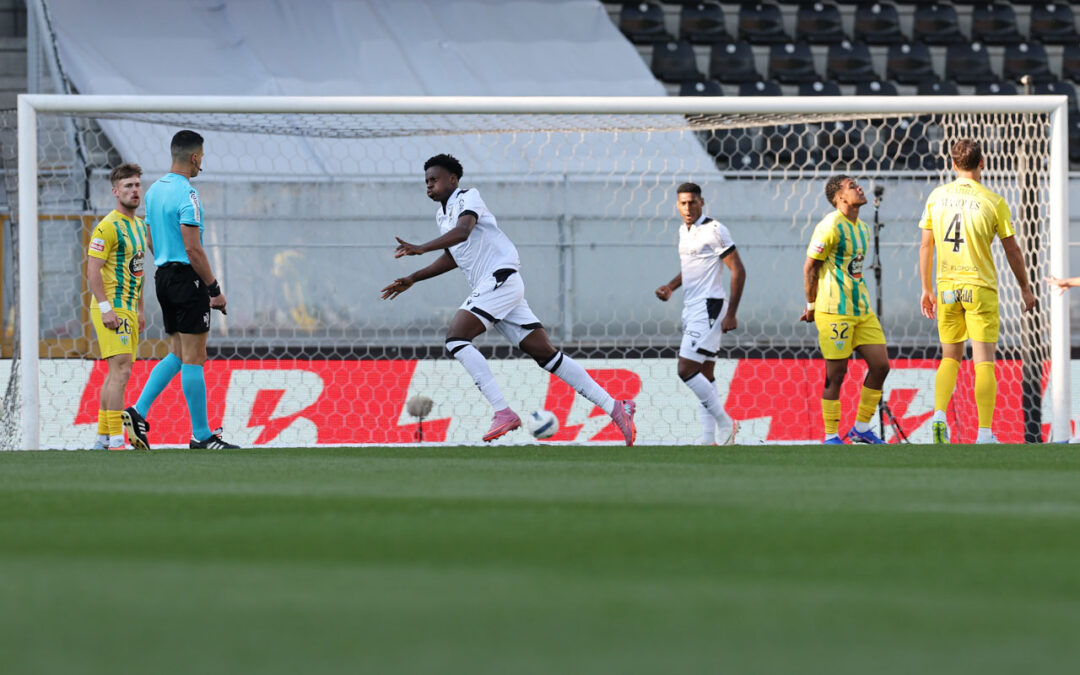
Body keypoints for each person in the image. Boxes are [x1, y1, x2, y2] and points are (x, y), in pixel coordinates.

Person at [381, 153, 637, 444]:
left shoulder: (468, 197)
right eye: (426, 181)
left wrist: (421, 248)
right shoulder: (442, 216)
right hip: (500, 287)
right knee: (546, 355)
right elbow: (454, 256)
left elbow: (463, 232)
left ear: (453, 179)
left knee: (456, 337)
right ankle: (617, 407)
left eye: (435, 179)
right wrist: (414, 278)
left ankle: (502, 412)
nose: (429, 185)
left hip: (499, 278)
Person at [122, 130, 239, 450]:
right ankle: (201, 435)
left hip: (163, 278)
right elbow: (194, 249)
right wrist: (214, 289)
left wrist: (166, 259)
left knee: (177, 352)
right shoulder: (188, 195)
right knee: (194, 357)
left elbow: (149, 238)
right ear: (195, 157)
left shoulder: (155, 191)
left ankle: (137, 411)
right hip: (188, 281)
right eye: (202, 157)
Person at [919, 139, 1037, 444]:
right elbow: (1012, 250)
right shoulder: (993, 201)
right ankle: (984, 433)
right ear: (982, 163)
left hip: (946, 288)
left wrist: (926, 288)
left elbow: (925, 245)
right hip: (979, 288)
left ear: (953, 165)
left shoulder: (936, 196)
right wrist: (1025, 288)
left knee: (950, 358)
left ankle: (939, 416)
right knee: (983, 361)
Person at [799, 175, 890, 444]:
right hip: (833, 311)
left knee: (881, 366)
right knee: (836, 374)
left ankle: (861, 428)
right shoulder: (829, 226)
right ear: (839, 197)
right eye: (852, 186)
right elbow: (809, 267)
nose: (860, 187)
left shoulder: (862, 228)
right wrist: (811, 305)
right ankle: (830, 435)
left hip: (861, 310)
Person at [654, 182, 745, 445]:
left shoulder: (714, 230)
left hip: (710, 307)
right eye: (682, 203)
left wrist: (732, 313)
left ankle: (726, 423)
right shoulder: (684, 230)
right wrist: (671, 287)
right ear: (677, 205)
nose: (687, 207)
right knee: (705, 374)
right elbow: (693, 267)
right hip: (691, 306)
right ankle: (709, 439)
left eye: (692, 202)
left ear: (702, 202)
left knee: (685, 369)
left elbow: (738, 269)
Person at [87, 163, 149, 450]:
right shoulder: (107, 226)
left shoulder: (139, 226)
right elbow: (93, 271)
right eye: (128, 186)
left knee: (118, 371)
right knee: (121, 371)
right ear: (116, 192)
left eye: (137, 185)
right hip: (110, 306)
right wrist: (105, 308)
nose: (134, 190)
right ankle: (115, 439)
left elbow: (139, 271)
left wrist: (139, 308)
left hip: (127, 307)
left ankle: (102, 438)